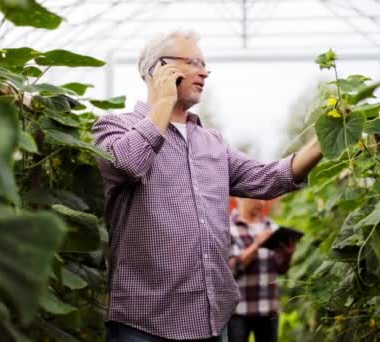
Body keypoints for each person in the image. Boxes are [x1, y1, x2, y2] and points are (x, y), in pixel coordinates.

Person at [92, 30, 322, 341]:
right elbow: (128, 164)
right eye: (193, 62)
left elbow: (269, 178)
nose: (204, 72)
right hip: (143, 322)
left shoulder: (211, 142)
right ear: (159, 69)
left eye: (205, 64)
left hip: (211, 321)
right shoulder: (114, 127)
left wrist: (325, 139)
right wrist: (163, 103)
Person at [227, 198, 295, 342]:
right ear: (240, 197)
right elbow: (230, 270)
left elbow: (280, 270)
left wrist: (287, 255)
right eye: (257, 198)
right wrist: (257, 244)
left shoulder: (272, 227)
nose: (262, 203)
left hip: (269, 309)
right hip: (239, 311)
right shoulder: (227, 229)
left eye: (265, 199)